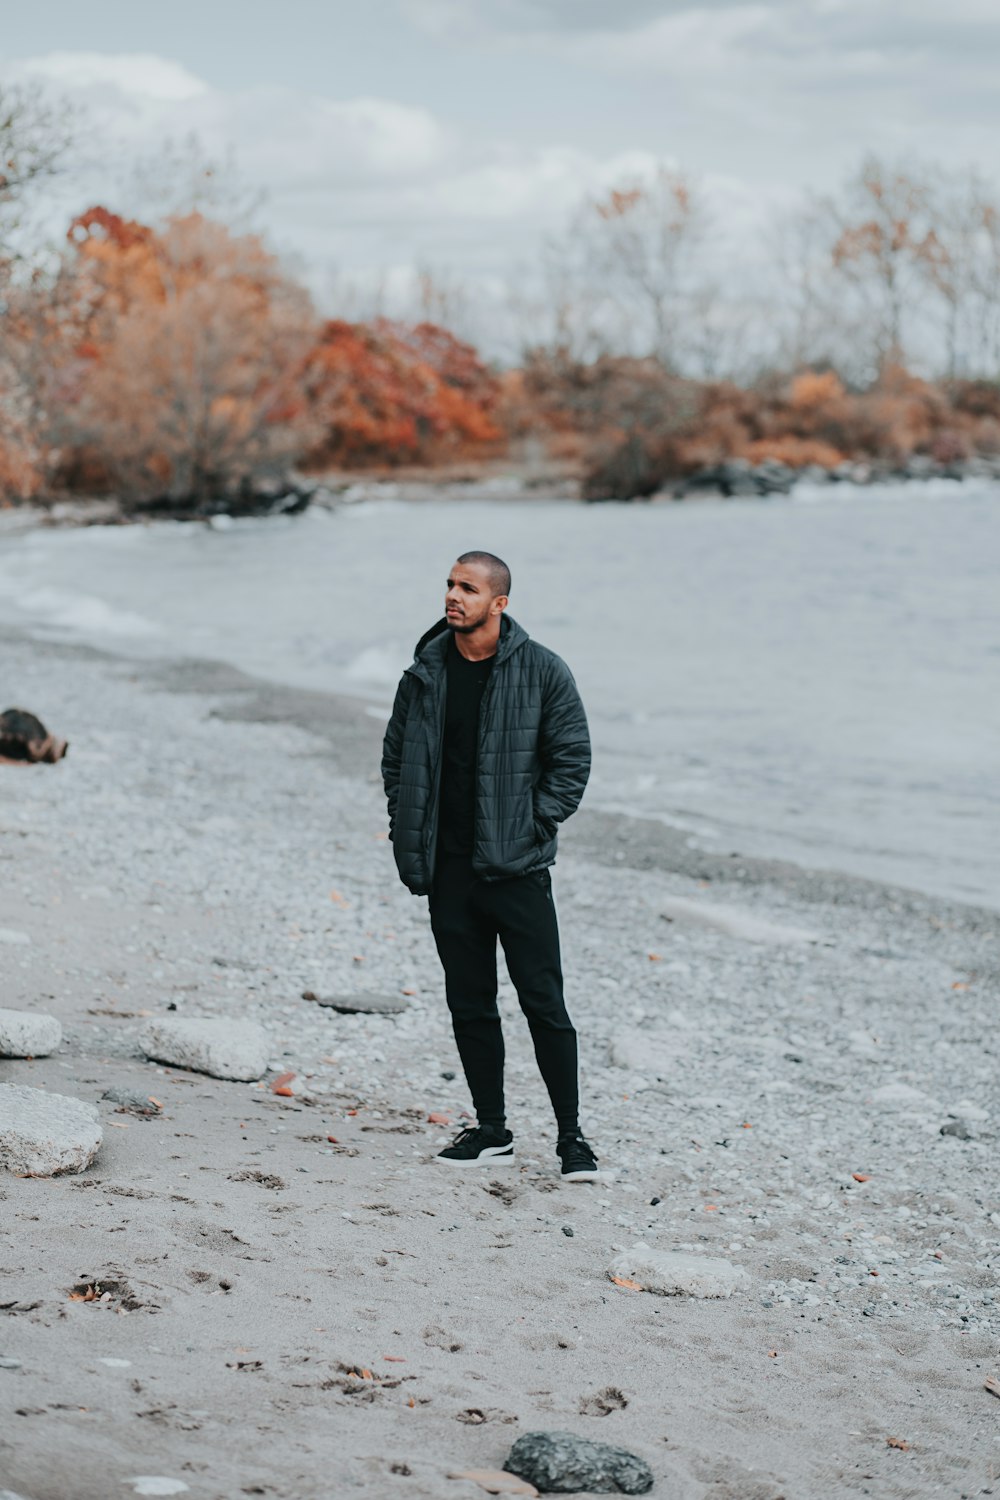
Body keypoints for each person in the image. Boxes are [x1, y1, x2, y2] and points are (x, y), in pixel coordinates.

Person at [381, 551, 599, 1180]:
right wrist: (407, 826)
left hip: (518, 871)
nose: (453, 596)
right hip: (448, 873)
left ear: (498, 603)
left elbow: (572, 760)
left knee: (544, 1004)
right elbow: (396, 761)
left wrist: (533, 825)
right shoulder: (424, 674)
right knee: (470, 1003)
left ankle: (571, 1140)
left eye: (467, 588)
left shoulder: (542, 671)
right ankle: (493, 1130)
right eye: (450, 585)